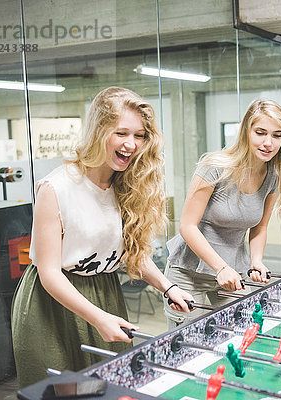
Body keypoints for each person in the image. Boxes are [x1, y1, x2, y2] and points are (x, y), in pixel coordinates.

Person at [11, 87, 194, 388]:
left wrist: (167, 286)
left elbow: (131, 253)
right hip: (51, 303)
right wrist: (97, 318)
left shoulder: (127, 185)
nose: (131, 144)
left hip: (105, 292)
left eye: (139, 135)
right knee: (63, 391)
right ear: (98, 130)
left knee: (107, 387)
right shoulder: (56, 188)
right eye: (121, 133)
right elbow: (48, 273)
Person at [164, 99, 281, 325]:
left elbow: (260, 227)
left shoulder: (273, 176)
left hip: (233, 272)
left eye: (276, 135)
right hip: (188, 272)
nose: (268, 143)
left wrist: (256, 261)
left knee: (236, 332)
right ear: (246, 131)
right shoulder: (215, 166)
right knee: (184, 343)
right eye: (260, 132)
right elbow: (187, 226)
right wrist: (220, 267)